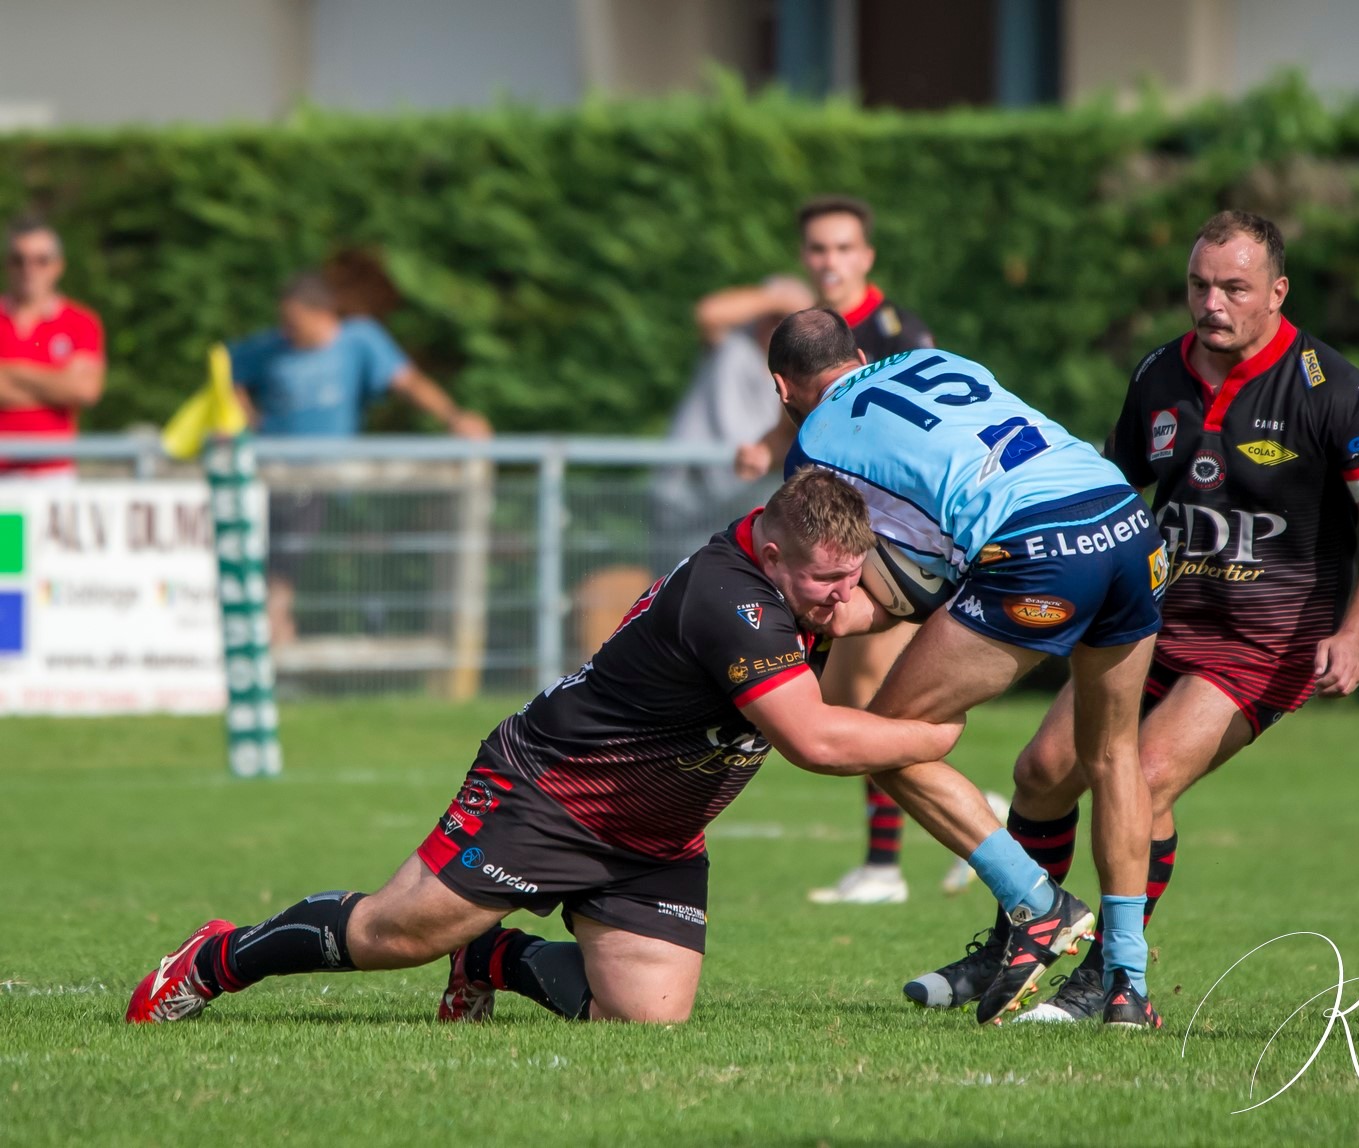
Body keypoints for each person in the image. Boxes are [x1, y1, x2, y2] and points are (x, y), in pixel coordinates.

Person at [126, 469, 969, 1027]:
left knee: (646, 1022)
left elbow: (883, 604)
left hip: (656, 832)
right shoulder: (731, 600)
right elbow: (813, 741)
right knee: (392, 937)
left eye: (852, 578)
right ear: (773, 554)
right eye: (827, 581)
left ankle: (492, 951)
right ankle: (216, 958)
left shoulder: (806, 578)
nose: (843, 599)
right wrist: (932, 731)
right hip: (552, 792)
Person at [903, 210, 1359, 1025]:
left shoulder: (1336, 392)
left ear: (1276, 292)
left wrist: (1355, 635)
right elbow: (1109, 492)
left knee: (1141, 781)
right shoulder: (1159, 373)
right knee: (1040, 775)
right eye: (1198, 285)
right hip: (1150, 623)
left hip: (1259, 644)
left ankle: (1117, 979)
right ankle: (1021, 940)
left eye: (1234, 288)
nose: (1211, 302)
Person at [769, 309, 1168, 1025]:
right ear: (859, 354)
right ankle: (1126, 985)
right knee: (1112, 755)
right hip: (1127, 523)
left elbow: (884, 577)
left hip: (1041, 549)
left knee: (880, 740)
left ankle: (1036, 905)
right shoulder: (941, 361)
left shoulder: (813, 444)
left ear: (781, 387)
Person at [717, 196, 950, 906]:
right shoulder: (817, 339)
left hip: (889, 547)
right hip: (846, 538)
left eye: (843, 248)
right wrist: (768, 439)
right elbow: (811, 407)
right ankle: (966, 819)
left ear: (866, 256)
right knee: (852, 697)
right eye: (818, 249)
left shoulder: (893, 332)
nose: (829, 262)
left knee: (874, 706)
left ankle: (885, 865)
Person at [226, 273, 491, 644]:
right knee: (278, 565)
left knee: (341, 562)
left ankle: (306, 633)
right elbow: (227, 370)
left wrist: (454, 417)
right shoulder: (271, 348)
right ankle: (276, 632)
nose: (286, 331)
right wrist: (244, 421)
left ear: (322, 314)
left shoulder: (359, 341)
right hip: (279, 481)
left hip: (335, 482)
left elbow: (409, 383)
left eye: (293, 322)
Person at [650, 275, 813, 567]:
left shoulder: (800, 379)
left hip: (747, 513)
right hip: (686, 502)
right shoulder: (732, 349)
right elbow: (708, 313)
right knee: (674, 592)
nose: (777, 328)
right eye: (772, 318)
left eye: (787, 322)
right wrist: (777, 298)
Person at [0, 217, 105, 477]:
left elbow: (84, 390)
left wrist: (12, 372)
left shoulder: (80, 322)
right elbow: (69, 387)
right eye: (19, 260)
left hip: (53, 477)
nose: (29, 269)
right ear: (7, 265)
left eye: (41, 260)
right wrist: (55, 385)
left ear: (58, 266)